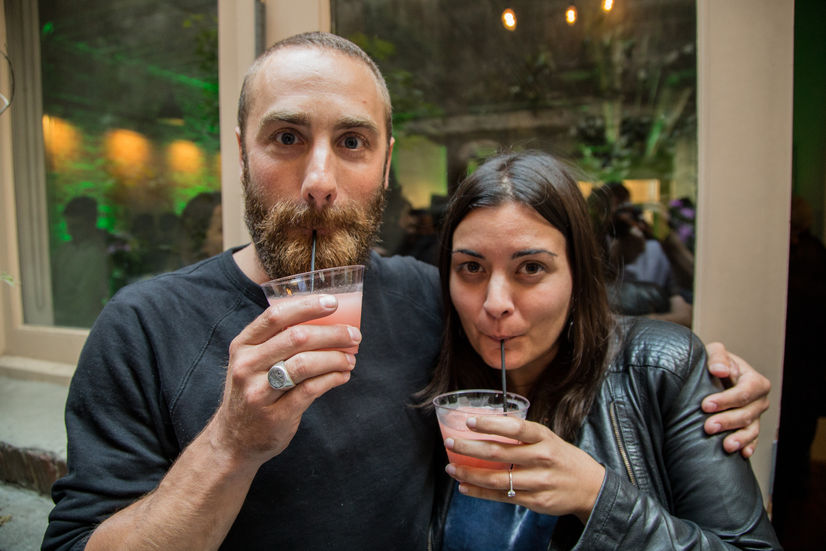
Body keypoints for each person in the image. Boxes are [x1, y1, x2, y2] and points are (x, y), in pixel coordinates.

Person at [43, 32, 770, 551]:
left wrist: (698, 374)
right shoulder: (142, 326)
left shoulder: (431, 298)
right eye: (287, 137)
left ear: (386, 163)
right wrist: (230, 445)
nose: (319, 180)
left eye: (352, 142)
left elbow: (567, 332)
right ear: (240, 150)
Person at [423, 150, 780, 550]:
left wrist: (598, 496)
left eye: (531, 268)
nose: (495, 303)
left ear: (578, 274)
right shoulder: (428, 374)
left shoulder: (660, 372)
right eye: (472, 268)